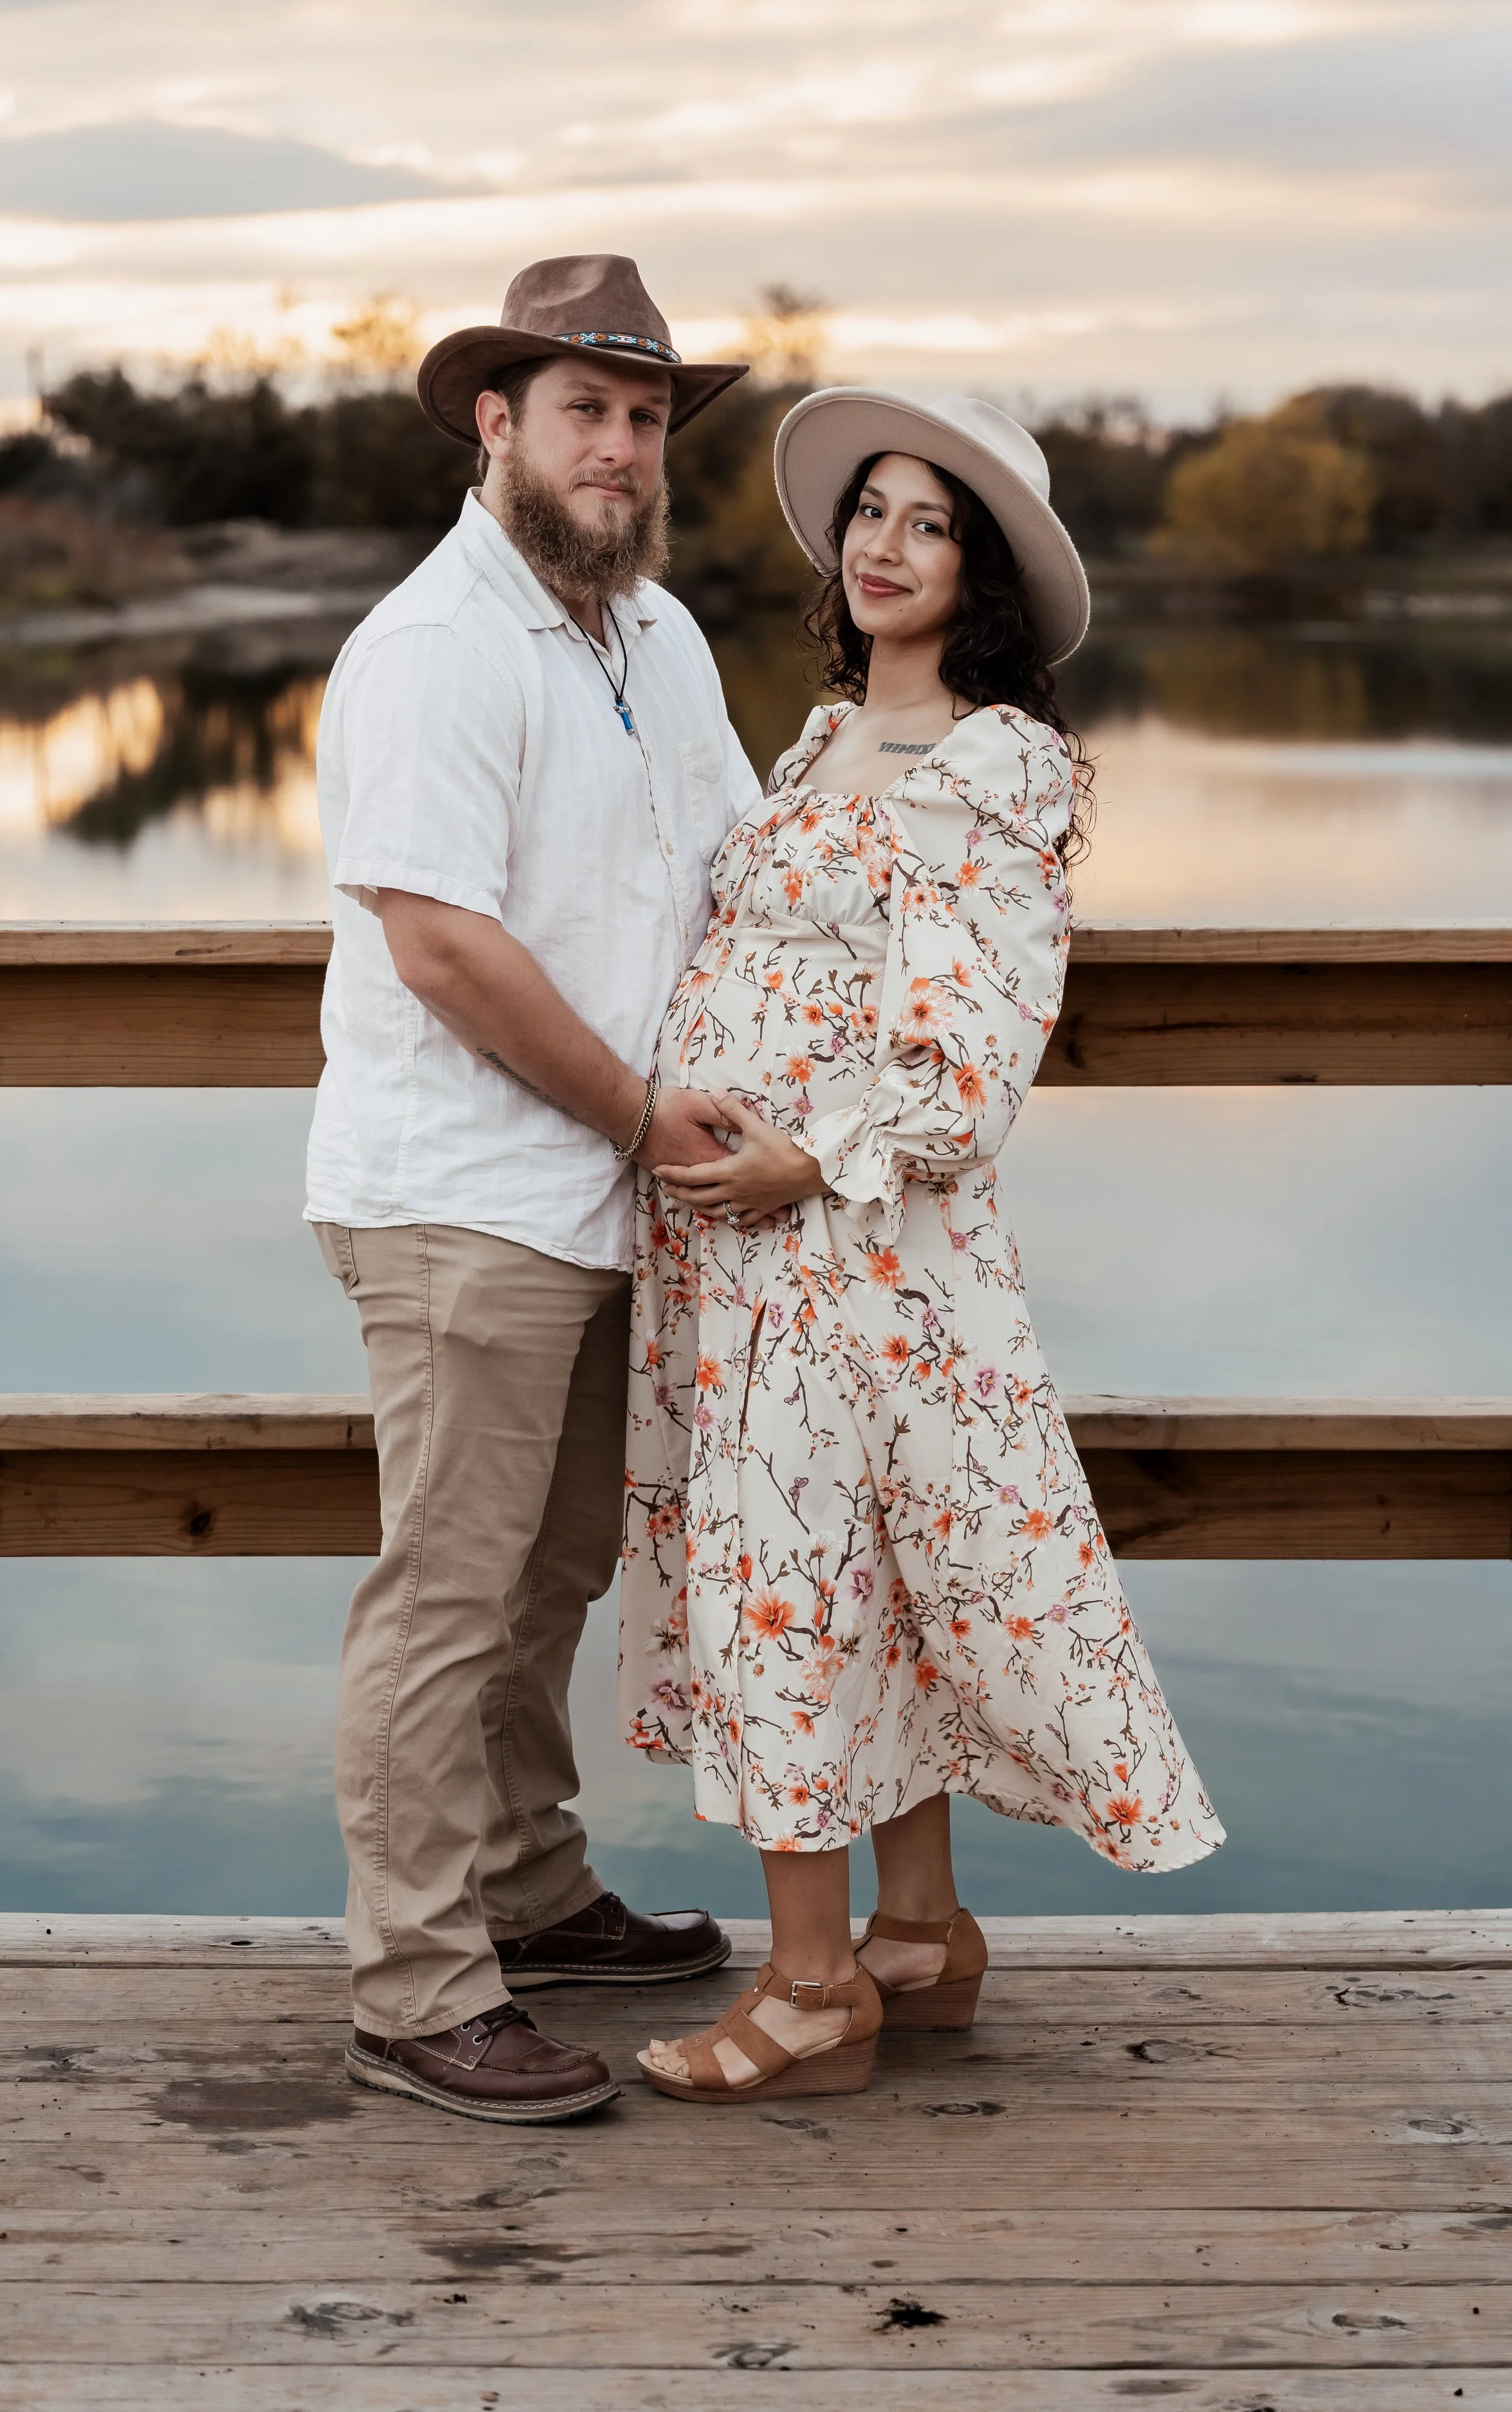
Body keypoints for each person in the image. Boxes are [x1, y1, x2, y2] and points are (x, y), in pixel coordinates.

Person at [619, 388, 1226, 2105]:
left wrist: (808, 1157)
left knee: (793, 1586)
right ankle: (915, 1933)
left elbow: (977, 1047)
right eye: (870, 513)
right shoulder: (822, 740)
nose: (884, 547)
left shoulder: (992, 762)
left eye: (929, 525)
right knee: (861, 1577)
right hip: (748, 1257)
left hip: (848, 1247)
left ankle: (811, 1991)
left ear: (983, 574)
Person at [307, 255, 764, 2124]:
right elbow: (441, 946)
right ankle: (415, 1985)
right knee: (448, 1591)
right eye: (586, 409)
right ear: (496, 422)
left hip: (602, 1195)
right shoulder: (433, 646)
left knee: (553, 1570)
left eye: (646, 417)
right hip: (464, 1196)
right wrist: (647, 1114)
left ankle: (530, 1891)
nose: (621, 447)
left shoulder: (655, 633)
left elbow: (749, 861)